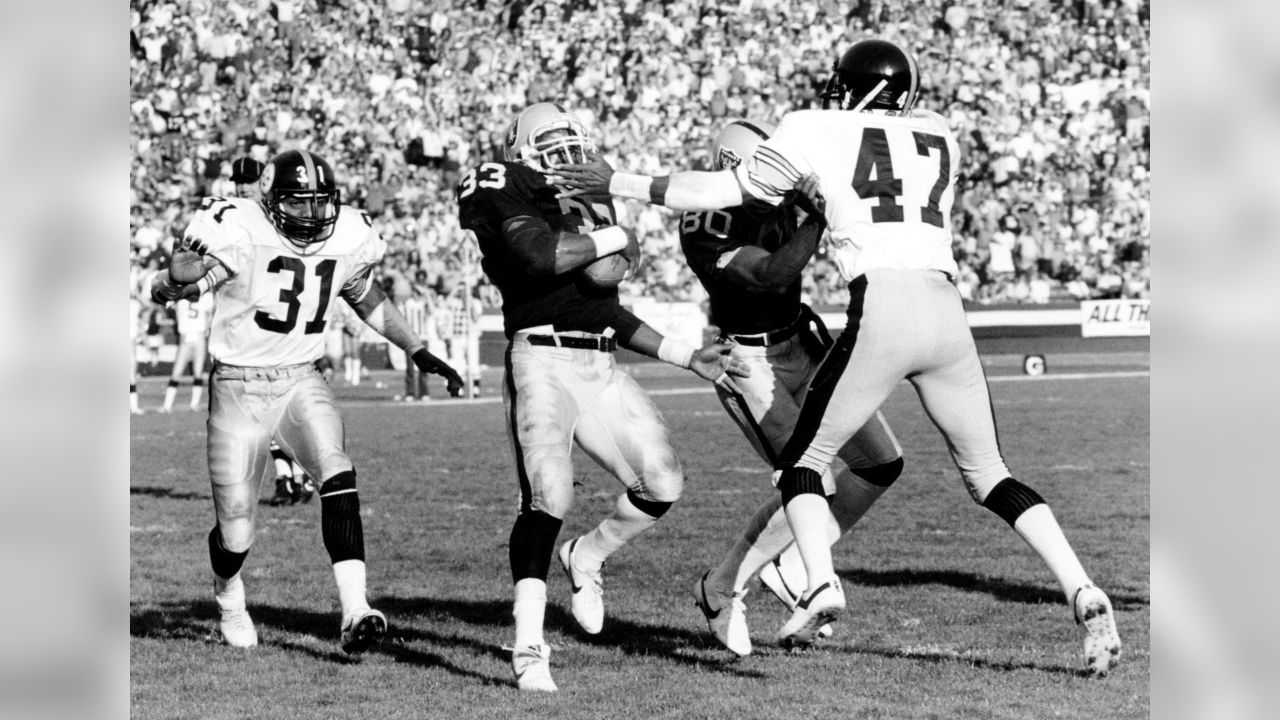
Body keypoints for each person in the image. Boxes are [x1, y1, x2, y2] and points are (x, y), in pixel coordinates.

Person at [549, 40, 1122, 677]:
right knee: (991, 474)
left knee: (804, 463)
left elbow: (716, 188)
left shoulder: (814, 128)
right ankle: (1082, 588)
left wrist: (619, 182)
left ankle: (815, 581)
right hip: (947, 310)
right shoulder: (939, 134)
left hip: (883, 308)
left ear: (857, 89)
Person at [456, 102, 749, 692]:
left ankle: (585, 557)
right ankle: (530, 646)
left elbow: (604, 300)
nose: (567, 155)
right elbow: (544, 256)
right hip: (539, 357)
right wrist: (619, 232)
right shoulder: (501, 181)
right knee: (550, 494)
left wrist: (687, 357)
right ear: (520, 149)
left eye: (573, 143)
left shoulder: (591, 191)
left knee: (662, 483)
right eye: (551, 143)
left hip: (599, 358)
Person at [145, 148, 465, 654]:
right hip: (239, 385)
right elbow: (184, 285)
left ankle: (355, 609)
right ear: (274, 202)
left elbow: (364, 294)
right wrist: (172, 280)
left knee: (337, 473)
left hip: (301, 377)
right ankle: (228, 593)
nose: (312, 216)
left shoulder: (348, 235)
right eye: (299, 204)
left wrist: (417, 349)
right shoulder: (239, 225)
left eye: (320, 203)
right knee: (237, 529)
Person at [680, 120, 905, 657]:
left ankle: (794, 562)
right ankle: (720, 586)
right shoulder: (706, 218)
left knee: (880, 463)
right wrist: (817, 216)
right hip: (751, 360)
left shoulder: (779, 198)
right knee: (811, 481)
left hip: (803, 343)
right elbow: (773, 275)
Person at [161, 292, 213, 412]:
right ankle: (172, 405)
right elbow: (210, 314)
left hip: (191, 336)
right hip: (193, 336)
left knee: (190, 372)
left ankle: (174, 404)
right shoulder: (203, 297)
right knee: (186, 372)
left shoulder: (183, 297)